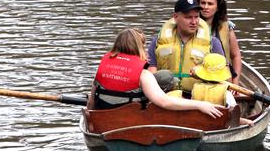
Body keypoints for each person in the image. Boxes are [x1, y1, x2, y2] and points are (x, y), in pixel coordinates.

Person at [88, 27, 223, 118]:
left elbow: (92, 102)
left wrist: (90, 118)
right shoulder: (143, 74)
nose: (145, 50)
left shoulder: (102, 67)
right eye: (143, 46)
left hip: (105, 121)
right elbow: (164, 102)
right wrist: (200, 105)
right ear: (138, 47)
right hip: (131, 123)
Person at [147, 0, 225, 93]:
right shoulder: (158, 41)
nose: (194, 22)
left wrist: (203, 73)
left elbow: (222, 74)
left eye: (196, 17)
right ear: (175, 17)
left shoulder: (213, 42)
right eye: (188, 17)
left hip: (198, 97)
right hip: (165, 96)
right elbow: (151, 70)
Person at [195, 0, 242, 84]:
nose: (205, 7)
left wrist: (236, 82)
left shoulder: (227, 26)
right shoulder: (190, 24)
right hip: (196, 76)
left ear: (217, 8)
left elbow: (236, 56)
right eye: (203, 3)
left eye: (210, 4)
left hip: (222, 77)